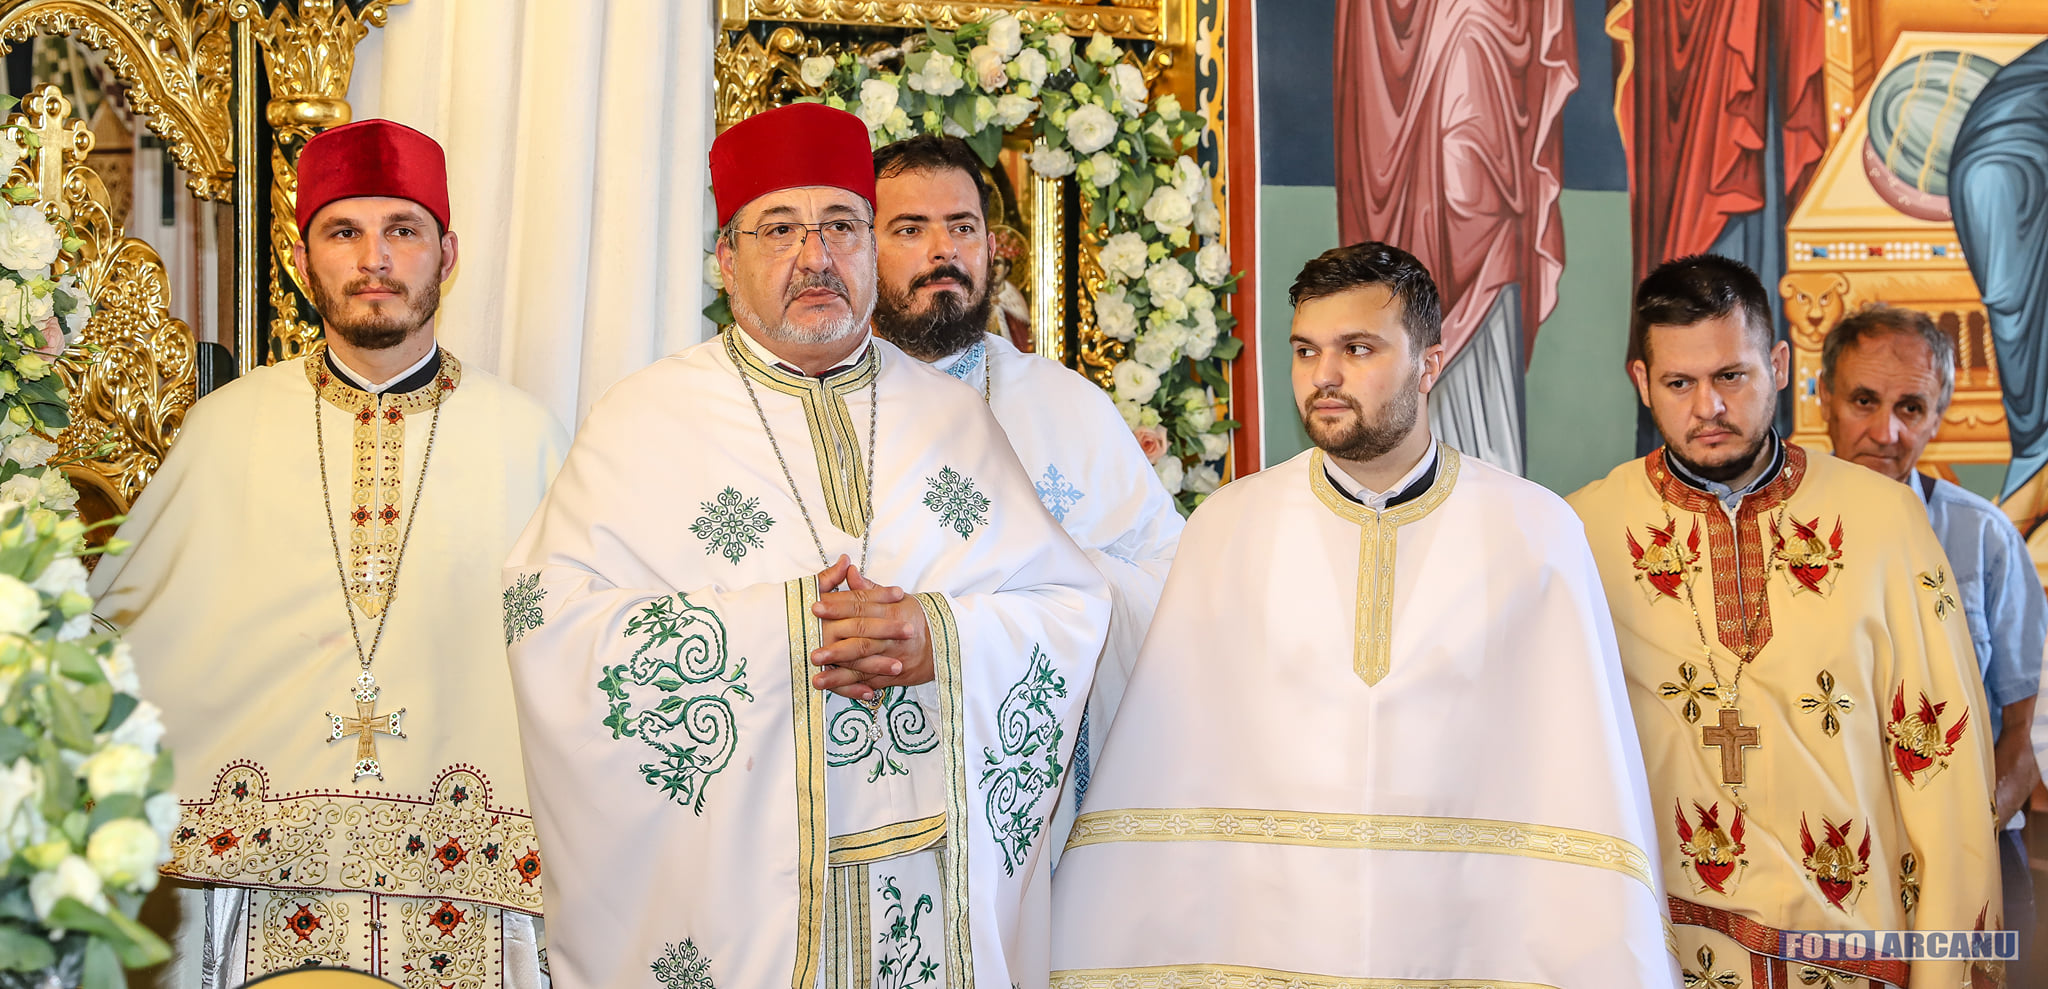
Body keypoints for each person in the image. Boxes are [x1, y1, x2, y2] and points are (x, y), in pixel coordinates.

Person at [502, 103, 1109, 989]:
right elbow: (549, 621)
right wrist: (790, 631)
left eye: (842, 227)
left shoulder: (955, 419)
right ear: (727, 259)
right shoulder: (643, 421)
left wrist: (939, 637)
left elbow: (1068, 606)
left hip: (928, 878)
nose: (816, 256)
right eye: (780, 229)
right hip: (739, 908)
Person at [1051, 242, 1676, 988]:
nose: (1324, 375)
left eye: (1357, 349)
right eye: (1305, 350)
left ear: (1429, 364)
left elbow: (1578, 774)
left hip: (1472, 942)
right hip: (1276, 940)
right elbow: (1171, 767)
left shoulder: (1535, 533)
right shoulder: (1229, 528)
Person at [90, 119, 567, 988]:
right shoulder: (225, 429)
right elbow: (121, 633)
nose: (373, 258)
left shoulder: (525, 437)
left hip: (468, 887)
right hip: (258, 886)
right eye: (344, 232)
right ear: (300, 258)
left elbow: (580, 654)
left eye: (402, 230)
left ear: (447, 254)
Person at [1568, 255, 2000, 988]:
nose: (1708, 407)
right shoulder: (1586, 532)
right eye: (1679, 383)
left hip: (1855, 946)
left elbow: (1944, 766)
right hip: (1667, 951)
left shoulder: (1885, 520)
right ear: (1642, 382)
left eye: (1731, 376)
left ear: (1777, 365)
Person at [867, 134, 1183, 856]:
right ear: (862, 247)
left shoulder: (1068, 406)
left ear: (992, 248)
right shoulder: (830, 405)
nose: (943, 250)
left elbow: (1172, 580)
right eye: (910, 229)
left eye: (963, 226)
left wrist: (1070, 583)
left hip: (1035, 800)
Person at [1819, 302, 2044, 971]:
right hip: (1825, 864)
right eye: (1863, 400)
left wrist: (1956, 848)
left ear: (1939, 414)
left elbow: (2026, 735)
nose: (1885, 431)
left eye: (1911, 408)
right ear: (1824, 398)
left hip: (1978, 858)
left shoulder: (1986, 539)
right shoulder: (1776, 537)